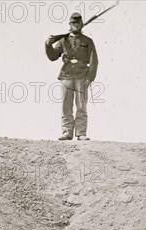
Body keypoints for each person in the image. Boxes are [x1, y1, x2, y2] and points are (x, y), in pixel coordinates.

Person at [45, 12, 98, 141]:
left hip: (82, 76)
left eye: (78, 23)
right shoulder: (63, 40)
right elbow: (53, 56)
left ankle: (81, 133)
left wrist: (89, 78)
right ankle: (66, 132)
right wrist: (48, 44)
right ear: (70, 24)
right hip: (66, 76)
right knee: (65, 106)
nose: (76, 25)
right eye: (73, 23)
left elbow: (94, 61)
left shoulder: (88, 41)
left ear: (81, 24)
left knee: (81, 106)